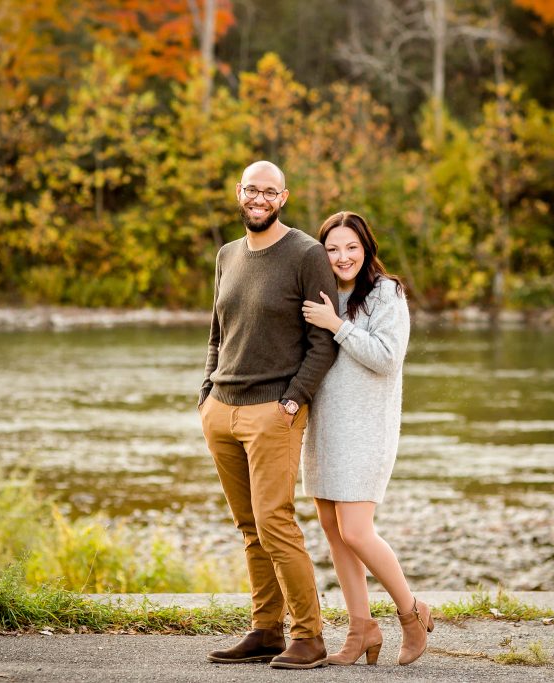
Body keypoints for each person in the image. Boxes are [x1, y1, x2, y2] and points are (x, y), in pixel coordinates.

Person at [199, 161, 339, 670]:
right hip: (222, 410)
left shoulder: (306, 254)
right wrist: (205, 393)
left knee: (276, 523)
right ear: (239, 193)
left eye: (269, 192)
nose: (259, 198)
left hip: (273, 412)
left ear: (284, 197)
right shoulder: (227, 255)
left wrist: (294, 398)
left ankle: (309, 636)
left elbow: (323, 341)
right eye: (251, 190)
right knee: (248, 526)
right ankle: (265, 630)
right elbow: (217, 333)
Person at [300, 211, 433, 666]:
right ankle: (361, 630)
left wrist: (335, 324)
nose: (342, 257)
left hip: (365, 430)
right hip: (323, 429)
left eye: (351, 247)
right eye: (332, 249)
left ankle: (411, 612)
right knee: (336, 535)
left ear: (366, 248)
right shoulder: (321, 292)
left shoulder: (386, 293)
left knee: (357, 530)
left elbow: (386, 359)